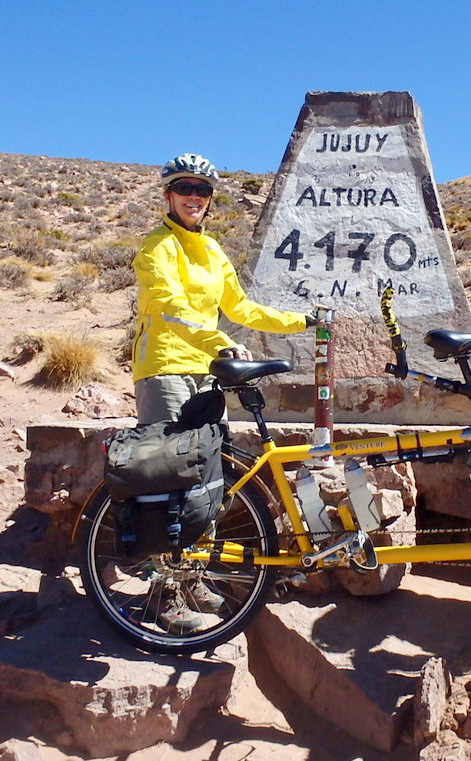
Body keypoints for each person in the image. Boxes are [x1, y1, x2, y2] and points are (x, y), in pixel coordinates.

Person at [132, 153, 319, 633]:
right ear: (168, 195)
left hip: (205, 372)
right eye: (184, 188)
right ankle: (164, 593)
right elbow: (170, 308)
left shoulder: (212, 250)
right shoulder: (157, 247)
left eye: (202, 190)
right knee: (168, 480)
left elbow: (239, 306)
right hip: (165, 370)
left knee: (208, 481)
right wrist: (222, 344)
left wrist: (301, 321)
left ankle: (192, 575)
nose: (194, 196)